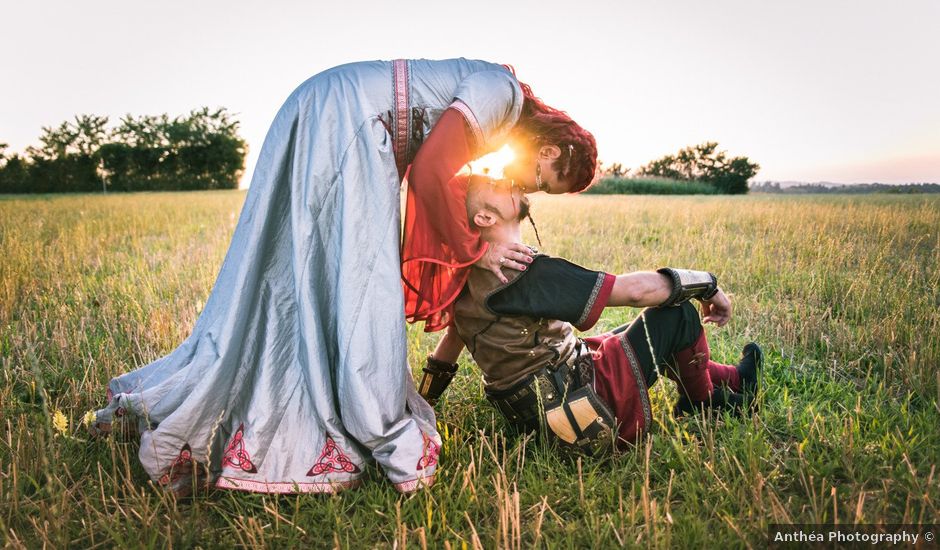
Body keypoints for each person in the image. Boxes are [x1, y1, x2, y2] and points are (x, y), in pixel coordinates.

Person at [89, 58, 598, 495]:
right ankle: (368, 423)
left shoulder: (497, 101)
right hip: (351, 123)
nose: (526, 183)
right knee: (361, 293)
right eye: (542, 182)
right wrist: (474, 253)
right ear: (551, 152)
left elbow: (438, 169)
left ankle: (259, 406)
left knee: (301, 281)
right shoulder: (500, 92)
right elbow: (428, 172)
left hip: (337, 113)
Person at [419, 177, 764, 453]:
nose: (509, 181)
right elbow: (636, 291)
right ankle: (702, 401)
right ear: (484, 217)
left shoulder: (466, 277)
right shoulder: (526, 272)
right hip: (582, 410)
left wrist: (422, 404)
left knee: (622, 335)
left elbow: (453, 341)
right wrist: (707, 285)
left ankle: (732, 379)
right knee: (675, 315)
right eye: (494, 186)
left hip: (535, 419)